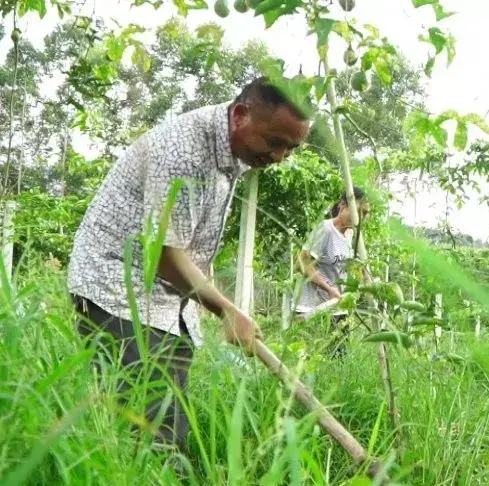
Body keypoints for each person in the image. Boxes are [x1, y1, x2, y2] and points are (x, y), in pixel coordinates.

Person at [67, 76, 311, 455]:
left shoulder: (231, 149)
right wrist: (227, 310)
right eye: (275, 142)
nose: (279, 157)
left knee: (167, 418)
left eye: (291, 148)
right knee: (152, 429)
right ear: (241, 114)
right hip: (117, 289)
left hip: (167, 301)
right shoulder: (183, 151)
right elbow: (162, 253)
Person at [293, 188, 369, 358]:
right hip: (312, 309)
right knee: (307, 363)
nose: (361, 217)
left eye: (365, 213)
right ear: (343, 206)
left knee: (338, 361)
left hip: (336, 308)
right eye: (358, 211)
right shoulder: (325, 229)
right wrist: (329, 289)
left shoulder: (352, 235)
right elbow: (301, 263)